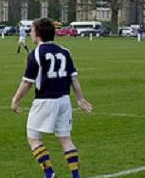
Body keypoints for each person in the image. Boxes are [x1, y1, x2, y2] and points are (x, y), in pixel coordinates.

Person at [11, 18, 93, 178]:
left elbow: (27, 82)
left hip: (45, 101)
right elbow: (73, 78)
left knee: (33, 138)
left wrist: (16, 99)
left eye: (32, 30)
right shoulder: (65, 51)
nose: (30, 33)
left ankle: (49, 173)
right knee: (65, 139)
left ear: (38, 33)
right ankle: (76, 175)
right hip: (64, 100)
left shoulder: (36, 54)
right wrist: (80, 99)